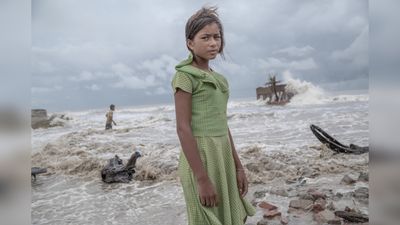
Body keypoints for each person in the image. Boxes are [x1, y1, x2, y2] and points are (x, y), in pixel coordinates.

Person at [172, 6, 255, 225]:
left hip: (222, 155)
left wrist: (238, 166)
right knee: (206, 218)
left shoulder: (220, 80)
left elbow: (223, 125)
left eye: (217, 37)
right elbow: (183, 128)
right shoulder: (185, 77)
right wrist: (202, 179)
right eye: (205, 37)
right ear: (190, 43)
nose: (213, 43)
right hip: (200, 157)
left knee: (230, 215)